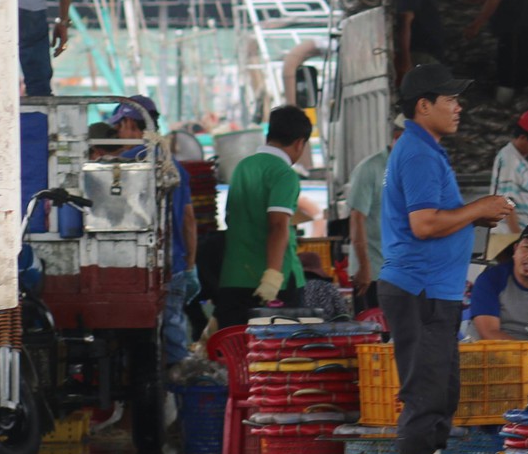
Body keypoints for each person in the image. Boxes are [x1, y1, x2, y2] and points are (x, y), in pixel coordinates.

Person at [379, 62, 516, 454]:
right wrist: (478, 207)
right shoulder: (416, 152)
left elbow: (437, 217)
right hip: (418, 290)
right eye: (450, 99)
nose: (459, 107)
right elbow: (423, 223)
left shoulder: (426, 150)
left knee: (441, 393)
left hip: (433, 291)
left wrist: (472, 217)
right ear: (423, 105)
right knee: (424, 395)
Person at [112, 95, 197, 371]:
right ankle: (178, 395)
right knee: (174, 337)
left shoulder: (118, 167)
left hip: (130, 269)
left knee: (130, 344)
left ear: (127, 122)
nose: (118, 135)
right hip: (174, 266)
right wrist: (190, 265)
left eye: (118, 128)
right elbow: (188, 220)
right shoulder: (175, 167)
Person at [215, 106, 312, 328]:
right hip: (276, 282)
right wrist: (272, 276)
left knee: (238, 350)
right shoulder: (284, 173)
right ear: (299, 143)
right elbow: (278, 225)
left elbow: (231, 218)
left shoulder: (242, 167)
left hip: (235, 276)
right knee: (277, 355)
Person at [347, 113, 404, 313]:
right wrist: (363, 267)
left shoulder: (413, 168)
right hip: (374, 273)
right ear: (397, 137)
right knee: (376, 334)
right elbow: (357, 219)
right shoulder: (370, 168)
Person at [298, 251, 351, 322]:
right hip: (327, 329)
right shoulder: (328, 286)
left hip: (297, 329)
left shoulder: (294, 288)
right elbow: (343, 313)